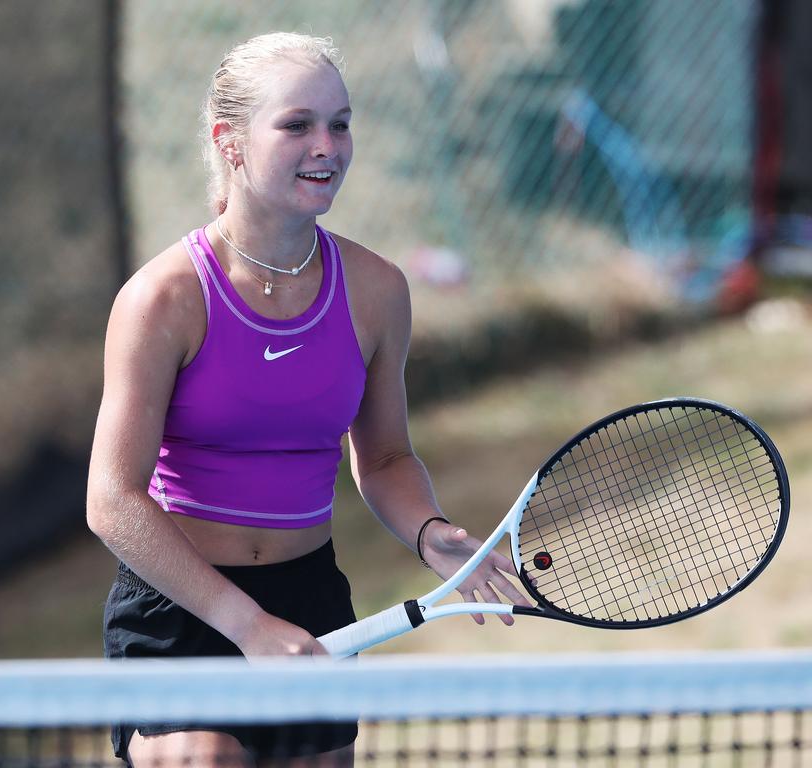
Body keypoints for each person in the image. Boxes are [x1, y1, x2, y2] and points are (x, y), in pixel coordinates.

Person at [86, 31, 531, 767]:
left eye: (341, 123)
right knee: (206, 759)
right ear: (230, 142)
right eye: (297, 125)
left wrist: (430, 532)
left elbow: (385, 455)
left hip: (311, 598)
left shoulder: (378, 290)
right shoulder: (163, 299)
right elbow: (112, 499)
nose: (327, 145)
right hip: (185, 605)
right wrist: (245, 622)